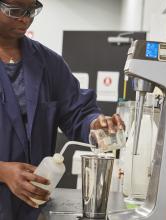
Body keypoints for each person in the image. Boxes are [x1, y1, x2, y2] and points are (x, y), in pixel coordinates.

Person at [0, 0, 125, 219]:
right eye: (15, 11)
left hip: (32, 205)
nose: (25, 19)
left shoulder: (49, 63)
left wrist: (95, 123)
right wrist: (2, 171)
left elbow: (78, 112)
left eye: (31, 11)